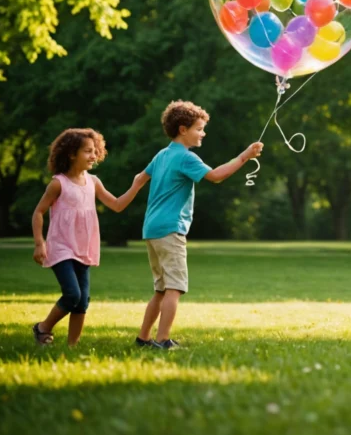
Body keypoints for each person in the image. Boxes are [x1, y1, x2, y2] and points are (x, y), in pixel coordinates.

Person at [135, 101, 263, 349]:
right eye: (199, 128)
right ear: (183, 129)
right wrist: (244, 156)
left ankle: (143, 339)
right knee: (174, 288)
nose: (203, 133)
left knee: (161, 289)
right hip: (171, 229)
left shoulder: (162, 154)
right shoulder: (185, 157)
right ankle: (162, 341)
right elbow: (216, 176)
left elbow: (140, 178)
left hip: (151, 229)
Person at [31, 128, 148, 346]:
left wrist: (137, 185)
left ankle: (72, 346)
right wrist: (39, 243)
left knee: (82, 301)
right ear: (71, 154)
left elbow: (117, 205)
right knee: (73, 295)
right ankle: (42, 328)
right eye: (88, 151)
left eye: (95, 151)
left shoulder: (93, 182)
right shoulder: (59, 183)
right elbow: (38, 212)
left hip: (83, 248)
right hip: (61, 247)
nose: (94, 156)